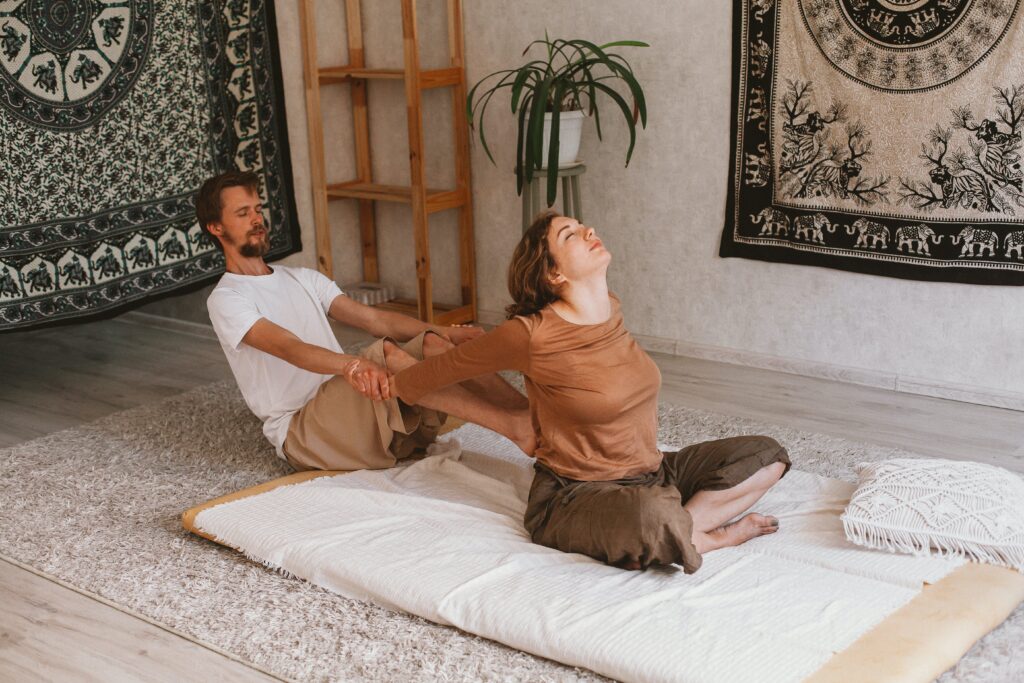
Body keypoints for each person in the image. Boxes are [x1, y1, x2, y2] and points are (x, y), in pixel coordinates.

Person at [390, 210, 790, 572]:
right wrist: (395, 380)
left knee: (766, 455)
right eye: (570, 235)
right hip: (574, 495)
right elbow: (440, 370)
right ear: (554, 274)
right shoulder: (530, 335)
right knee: (651, 514)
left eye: (582, 227)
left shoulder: (609, 306)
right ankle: (706, 535)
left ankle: (676, 533)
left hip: (655, 472)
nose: (588, 231)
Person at [199, 170, 533, 472]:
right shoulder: (227, 298)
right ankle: (512, 427)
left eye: (258, 209)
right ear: (216, 227)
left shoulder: (301, 277)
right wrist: (352, 366)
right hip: (305, 430)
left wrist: (444, 330)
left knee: (434, 343)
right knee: (384, 355)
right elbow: (290, 348)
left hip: (355, 411)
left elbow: (374, 319)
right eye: (243, 213)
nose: (257, 219)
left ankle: (534, 417)